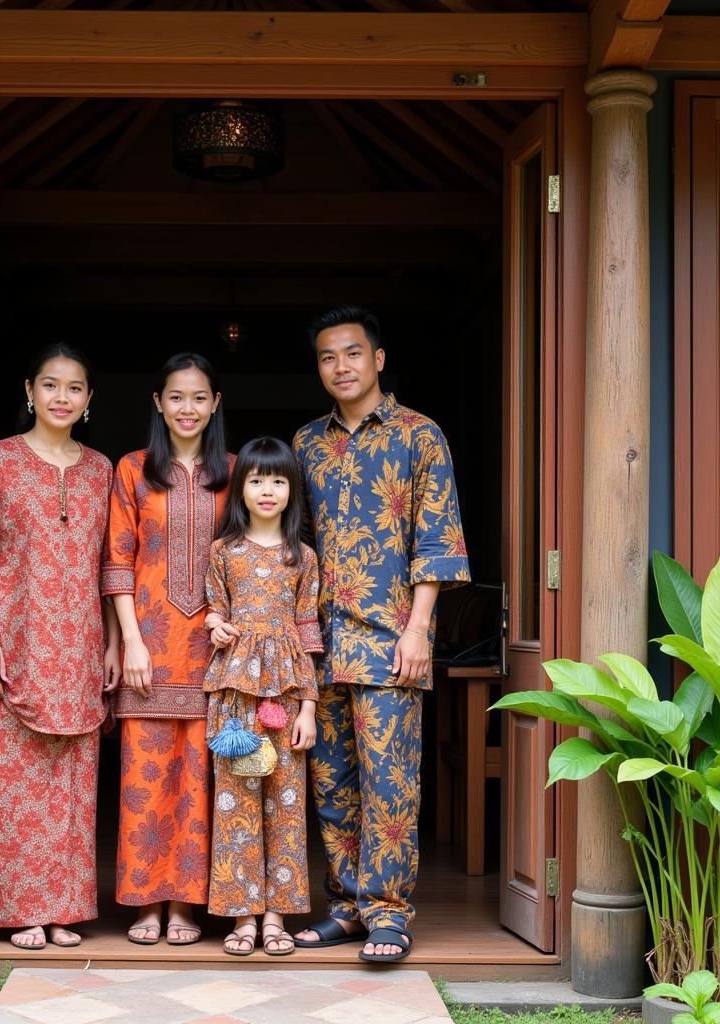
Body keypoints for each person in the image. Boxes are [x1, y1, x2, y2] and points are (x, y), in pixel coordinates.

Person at [292, 306, 470, 963]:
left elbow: (437, 534)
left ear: (379, 359)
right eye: (327, 357)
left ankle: (389, 913)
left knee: (390, 785)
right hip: (322, 642)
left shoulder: (420, 435)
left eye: (352, 353)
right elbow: (298, 543)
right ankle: (345, 907)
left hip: (392, 637)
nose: (340, 366)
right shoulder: (306, 442)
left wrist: (420, 627)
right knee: (331, 782)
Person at [0, 342, 120, 951]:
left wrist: (115, 642)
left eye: (74, 388)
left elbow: (112, 568)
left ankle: (65, 909)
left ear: (89, 399)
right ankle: (21, 911)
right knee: (14, 786)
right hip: (12, 647)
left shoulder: (102, 471)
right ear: (29, 391)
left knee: (73, 787)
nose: (61, 398)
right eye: (50, 385)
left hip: (80, 650)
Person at [102, 353, 232, 946]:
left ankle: (185, 906)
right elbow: (117, 559)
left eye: (199, 397)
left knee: (199, 778)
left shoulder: (235, 471)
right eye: (176, 397)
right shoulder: (133, 470)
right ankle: (146, 903)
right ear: (158, 402)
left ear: (215, 403)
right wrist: (128, 638)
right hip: (146, 648)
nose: (188, 408)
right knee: (145, 776)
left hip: (213, 648)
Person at [203, 436, 322, 957]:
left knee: (286, 806)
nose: (267, 490)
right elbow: (214, 612)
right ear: (241, 489)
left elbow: (310, 631)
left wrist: (311, 709)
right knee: (236, 803)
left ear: (291, 489)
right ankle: (243, 916)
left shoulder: (304, 557)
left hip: (288, 696)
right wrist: (214, 625)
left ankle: (277, 916)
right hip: (235, 697)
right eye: (256, 480)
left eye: (277, 480)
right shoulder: (224, 553)